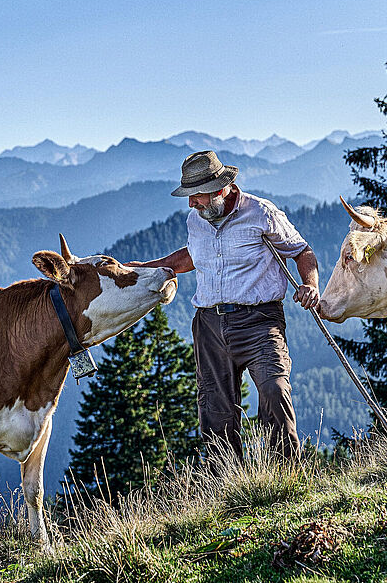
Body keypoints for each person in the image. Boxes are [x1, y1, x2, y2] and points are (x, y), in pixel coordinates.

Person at [131, 150, 319, 458]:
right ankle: (227, 483)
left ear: (220, 188)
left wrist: (310, 285)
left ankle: (285, 477)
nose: (191, 203)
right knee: (214, 408)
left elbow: (302, 251)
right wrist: (147, 268)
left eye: (196, 196)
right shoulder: (197, 219)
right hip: (209, 326)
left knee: (274, 389)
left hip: (260, 321)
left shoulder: (261, 213)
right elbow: (192, 255)